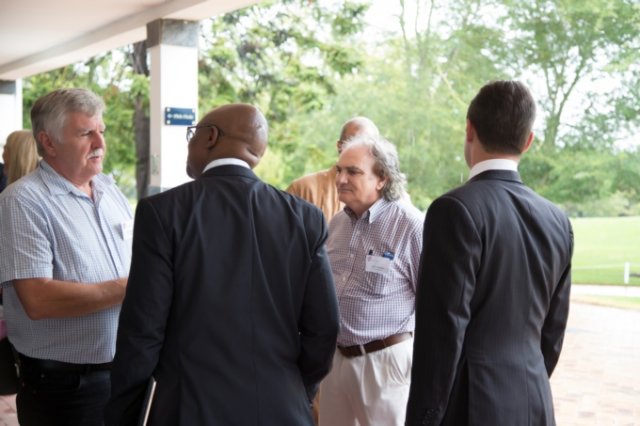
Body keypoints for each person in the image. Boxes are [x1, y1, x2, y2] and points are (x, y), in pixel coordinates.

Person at [106, 103, 340, 426]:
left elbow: (143, 331)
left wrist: (124, 413)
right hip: (282, 409)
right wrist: (296, 389)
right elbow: (324, 328)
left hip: (190, 409)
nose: (189, 144)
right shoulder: (304, 218)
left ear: (210, 137)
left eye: (192, 134)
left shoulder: (163, 213)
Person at [405, 80, 573, 426]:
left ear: (469, 129)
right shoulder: (558, 221)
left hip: (471, 406)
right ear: (528, 141)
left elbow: (441, 335)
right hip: (533, 401)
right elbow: (552, 334)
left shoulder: (453, 209)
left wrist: (423, 419)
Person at [0, 88, 132, 426]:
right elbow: (38, 299)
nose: (100, 143)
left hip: (124, 373)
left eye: (101, 130)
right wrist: (130, 287)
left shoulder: (110, 191)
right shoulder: (24, 200)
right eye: (86, 133)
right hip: (66, 388)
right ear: (49, 142)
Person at [318, 134, 423, 426]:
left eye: (353, 172)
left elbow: (433, 305)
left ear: (382, 179)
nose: (341, 179)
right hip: (336, 360)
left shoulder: (411, 226)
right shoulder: (337, 224)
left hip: (384, 363)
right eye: (339, 170)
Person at [286, 116, 380, 221]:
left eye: (369, 144)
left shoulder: (384, 198)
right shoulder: (304, 189)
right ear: (340, 146)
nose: (361, 149)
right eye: (354, 143)